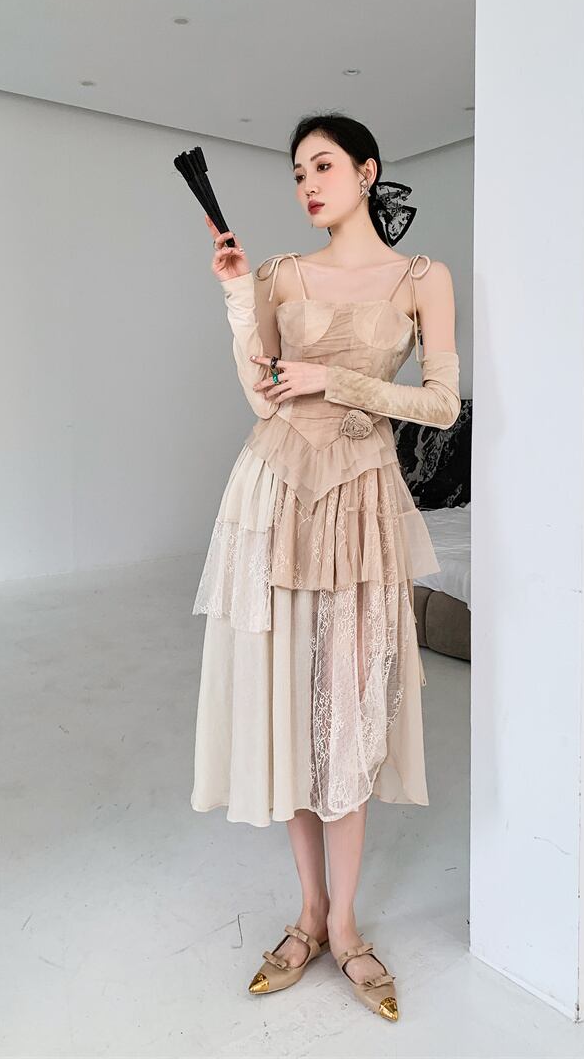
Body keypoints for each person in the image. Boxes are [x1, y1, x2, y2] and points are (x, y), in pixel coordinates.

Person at [190, 112, 461, 1022]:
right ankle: (309, 915)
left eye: (323, 165)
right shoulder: (278, 273)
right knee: (291, 708)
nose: (307, 184)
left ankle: (345, 927)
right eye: (298, 172)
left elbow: (441, 404)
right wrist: (238, 296)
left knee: (346, 713)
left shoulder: (423, 279)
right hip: (275, 494)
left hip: (360, 502)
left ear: (367, 171)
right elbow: (261, 393)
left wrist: (333, 380)